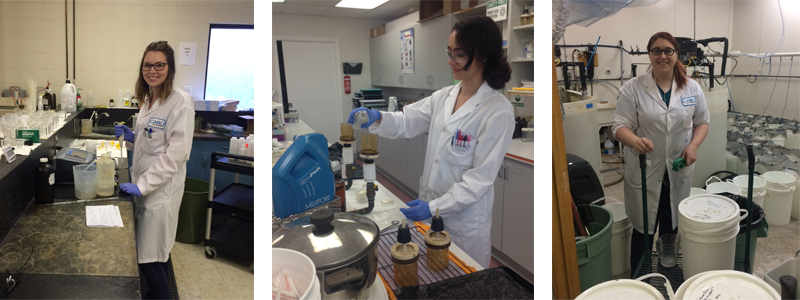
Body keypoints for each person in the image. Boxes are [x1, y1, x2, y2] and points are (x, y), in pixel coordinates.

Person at [347, 16, 514, 268]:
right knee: (432, 274)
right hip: (430, 209)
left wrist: (434, 206)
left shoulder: (497, 111)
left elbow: (478, 181)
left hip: (463, 223)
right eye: (449, 52)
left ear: (483, 55)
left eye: (458, 54)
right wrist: (378, 116)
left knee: (463, 283)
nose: (450, 61)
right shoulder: (444, 96)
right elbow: (407, 121)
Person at [612, 32, 710, 276]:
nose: (663, 56)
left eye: (668, 50)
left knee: (671, 226)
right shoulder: (632, 88)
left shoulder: (692, 87)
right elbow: (619, 126)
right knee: (643, 228)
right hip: (645, 168)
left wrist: (694, 145)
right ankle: (640, 277)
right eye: (656, 50)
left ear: (677, 54)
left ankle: (668, 272)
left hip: (678, 167)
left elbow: (703, 122)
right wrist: (634, 141)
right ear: (649, 54)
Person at [115, 41, 194, 299]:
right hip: (146, 188)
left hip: (160, 193)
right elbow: (152, 140)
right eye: (147, 65)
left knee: (149, 257)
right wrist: (133, 137)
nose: (152, 70)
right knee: (156, 252)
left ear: (169, 68)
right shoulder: (149, 98)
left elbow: (176, 154)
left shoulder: (180, 101)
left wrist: (143, 185)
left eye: (159, 65)